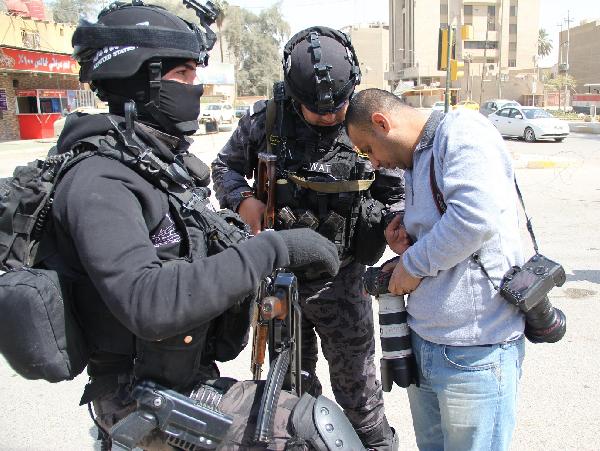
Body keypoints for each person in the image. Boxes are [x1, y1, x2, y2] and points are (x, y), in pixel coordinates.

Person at [46, 2, 366, 450]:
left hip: (183, 377)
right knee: (312, 431)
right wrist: (274, 248)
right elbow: (149, 302)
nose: (196, 87)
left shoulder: (151, 166)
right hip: (141, 397)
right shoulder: (100, 180)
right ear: (141, 80)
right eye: (184, 75)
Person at [211, 27, 403, 450]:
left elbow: (396, 193)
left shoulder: (366, 120)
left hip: (344, 282)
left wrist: (395, 224)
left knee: (361, 400)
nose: (331, 117)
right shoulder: (267, 120)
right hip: (282, 281)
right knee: (290, 398)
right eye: (318, 112)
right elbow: (224, 167)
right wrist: (242, 199)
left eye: (338, 108)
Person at [345, 88, 526, 451]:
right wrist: (407, 240)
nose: (374, 163)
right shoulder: (415, 161)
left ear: (382, 123)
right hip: (426, 343)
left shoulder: (462, 132)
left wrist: (412, 265)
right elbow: (445, 241)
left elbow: (475, 218)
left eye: (368, 149)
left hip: (474, 351)